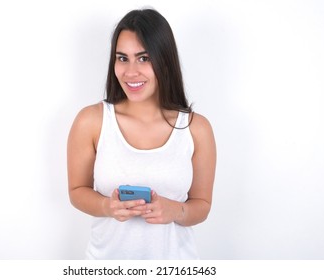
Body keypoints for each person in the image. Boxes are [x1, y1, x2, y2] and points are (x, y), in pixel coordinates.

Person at [67, 8, 216, 259]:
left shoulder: (196, 128)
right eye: (122, 58)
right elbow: (77, 190)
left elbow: (202, 205)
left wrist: (176, 211)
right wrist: (107, 206)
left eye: (144, 58)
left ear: (164, 60)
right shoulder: (90, 121)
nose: (130, 72)